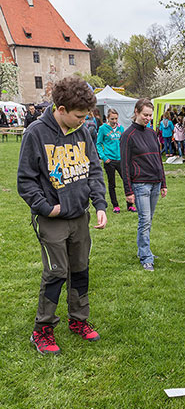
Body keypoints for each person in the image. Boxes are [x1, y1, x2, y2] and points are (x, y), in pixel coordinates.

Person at [17, 76, 107, 355]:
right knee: (56, 272)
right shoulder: (35, 133)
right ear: (61, 108)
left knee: (80, 269)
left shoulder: (83, 132)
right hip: (53, 219)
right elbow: (25, 181)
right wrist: (47, 207)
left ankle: (78, 320)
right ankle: (42, 329)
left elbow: (93, 170)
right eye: (78, 116)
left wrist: (100, 204)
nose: (83, 121)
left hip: (79, 217)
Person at [120, 98, 167, 271]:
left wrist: (163, 183)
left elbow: (158, 159)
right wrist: (128, 191)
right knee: (144, 221)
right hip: (140, 185)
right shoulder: (128, 136)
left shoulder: (152, 133)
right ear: (136, 112)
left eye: (150, 115)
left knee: (149, 220)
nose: (148, 118)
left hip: (155, 183)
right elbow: (124, 164)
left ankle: (143, 251)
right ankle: (146, 257)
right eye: (145, 115)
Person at [97, 108, 135, 214]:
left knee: (127, 181)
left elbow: (124, 142)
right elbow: (98, 143)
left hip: (121, 159)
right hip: (109, 160)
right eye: (112, 119)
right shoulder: (103, 129)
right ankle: (115, 205)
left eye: (116, 119)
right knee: (112, 184)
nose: (114, 121)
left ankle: (130, 205)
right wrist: (103, 157)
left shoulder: (120, 128)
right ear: (108, 118)